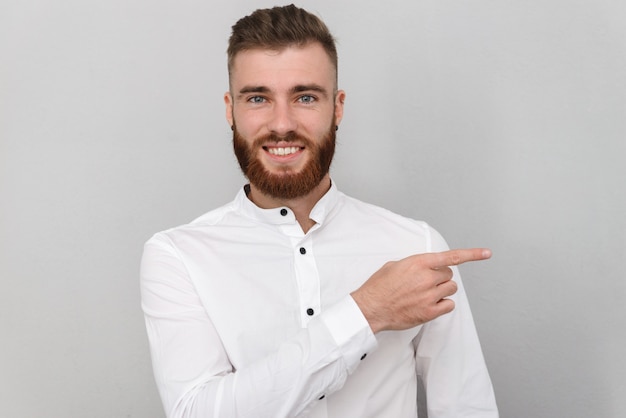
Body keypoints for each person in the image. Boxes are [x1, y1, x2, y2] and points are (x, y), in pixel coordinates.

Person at [140, 4, 498, 417]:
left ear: (338, 107)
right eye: (258, 98)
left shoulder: (415, 246)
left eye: (305, 97)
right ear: (230, 110)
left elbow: (467, 408)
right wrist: (367, 311)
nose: (281, 124)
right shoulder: (178, 257)